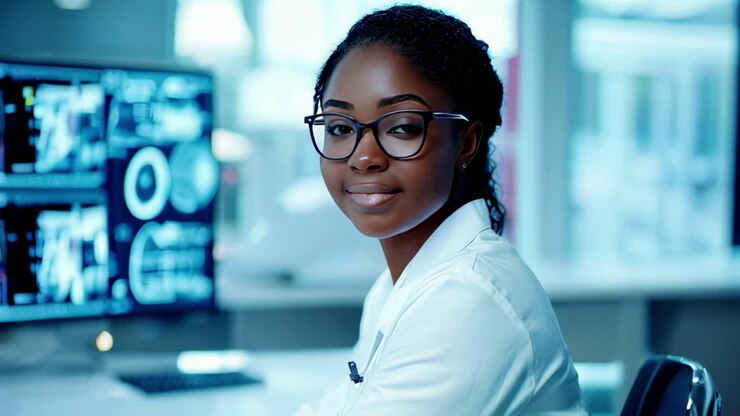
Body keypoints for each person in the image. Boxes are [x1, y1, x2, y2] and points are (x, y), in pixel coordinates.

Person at [297, 4, 587, 415]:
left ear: (466, 142)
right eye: (341, 128)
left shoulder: (468, 300)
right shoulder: (402, 286)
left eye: (401, 128)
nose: (363, 158)